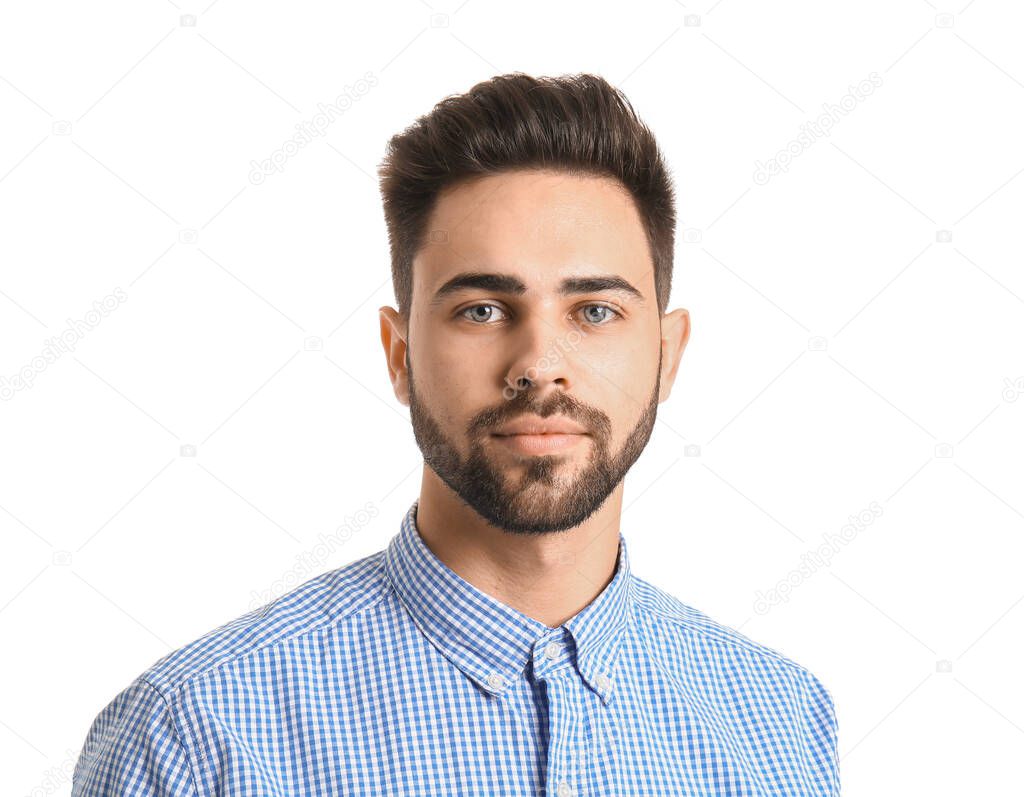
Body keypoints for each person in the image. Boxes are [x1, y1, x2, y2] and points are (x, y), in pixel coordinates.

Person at [73, 72, 839, 796]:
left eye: (595, 311)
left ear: (668, 354)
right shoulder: (195, 734)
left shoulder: (780, 722)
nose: (540, 364)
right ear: (400, 355)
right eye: (482, 309)